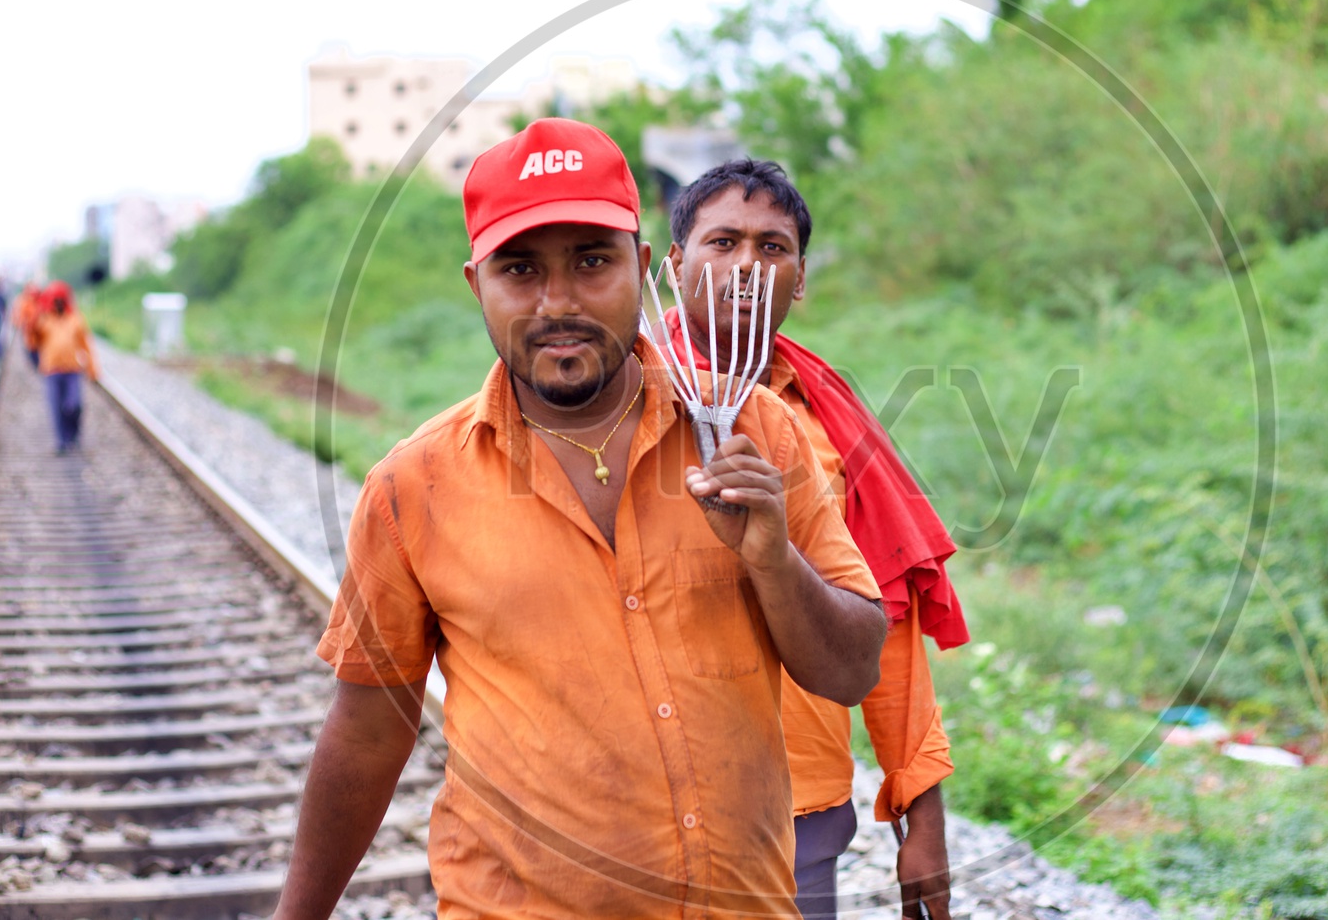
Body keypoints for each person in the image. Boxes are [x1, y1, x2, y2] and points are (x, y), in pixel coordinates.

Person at [276, 119, 889, 920]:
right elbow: (367, 731)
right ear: (477, 284)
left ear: (641, 266)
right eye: (521, 268)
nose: (557, 301)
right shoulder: (413, 485)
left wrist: (775, 560)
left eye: (591, 262)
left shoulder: (755, 434)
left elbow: (851, 671)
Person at [665, 160, 968, 920]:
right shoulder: (610, 394)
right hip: (643, 804)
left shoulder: (824, 416)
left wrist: (922, 819)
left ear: (799, 279)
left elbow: (885, 617)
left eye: (772, 248)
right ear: (674, 265)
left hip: (799, 807)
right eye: (722, 242)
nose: (746, 266)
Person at [31, 281, 99, 453]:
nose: (58, 303)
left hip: (72, 370)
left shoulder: (75, 318)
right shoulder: (43, 319)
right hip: (51, 371)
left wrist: (92, 368)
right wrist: (33, 322)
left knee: (73, 405)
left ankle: (74, 433)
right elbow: (32, 342)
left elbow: (86, 344)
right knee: (56, 408)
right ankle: (61, 441)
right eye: (55, 300)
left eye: (61, 299)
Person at [13, 282, 43, 370]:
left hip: (40, 332)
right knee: (32, 350)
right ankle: (36, 366)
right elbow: (21, 317)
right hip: (30, 332)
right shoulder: (24, 302)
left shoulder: (40, 301)